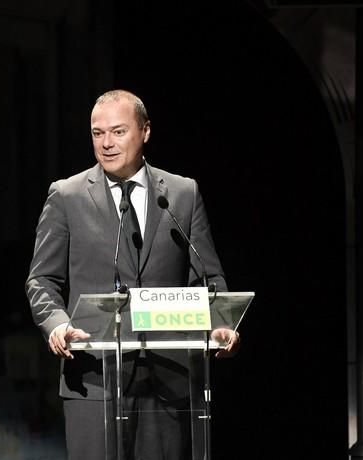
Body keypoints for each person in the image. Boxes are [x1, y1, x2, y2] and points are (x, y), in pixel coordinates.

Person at [25, 89, 240, 460]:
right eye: (97, 133)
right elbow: (41, 280)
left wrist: (220, 323)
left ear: (145, 131)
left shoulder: (182, 194)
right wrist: (57, 325)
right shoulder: (67, 196)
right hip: (93, 379)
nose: (106, 143)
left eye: (118, 131)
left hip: (168, 381)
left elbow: (208, 280)